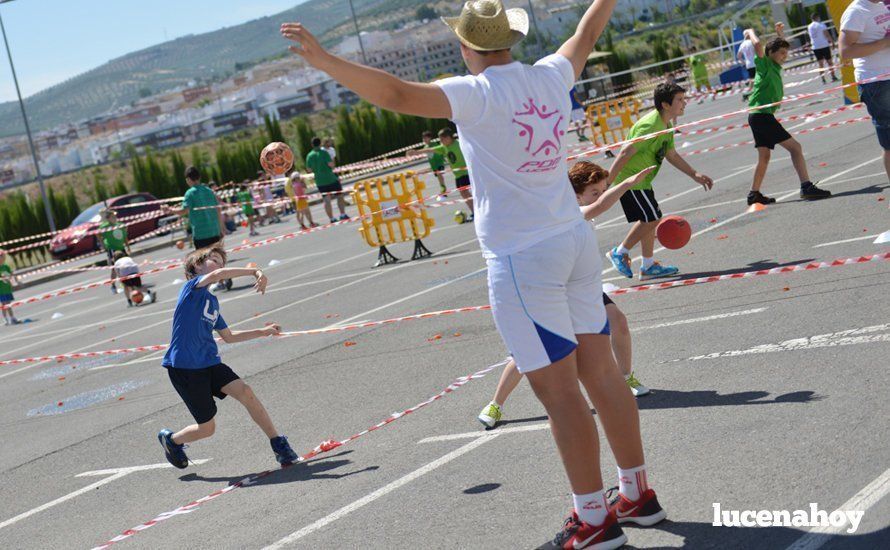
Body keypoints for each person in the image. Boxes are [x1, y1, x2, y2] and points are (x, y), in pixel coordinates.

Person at [283, 1, 666, 547]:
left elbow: (394, 94)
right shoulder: (550, 76)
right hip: (573, 239)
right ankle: (636, 494)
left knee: (560, 396)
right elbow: (588, 28)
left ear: (466, 47)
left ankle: (594, 520)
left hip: (522, 257)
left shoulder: (475, 92)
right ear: (510, 38)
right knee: (602, 375)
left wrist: (325, 61)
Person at [478, 161, 656, 429]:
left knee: (618, 322)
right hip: (551, 288)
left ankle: (625, 376)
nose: (600, 194)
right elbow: (598, 206)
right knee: (526, 354)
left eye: (602, 189)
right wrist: (628, 184)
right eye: (594, 191)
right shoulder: (569, 211)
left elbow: (598, 202)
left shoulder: (573, 206)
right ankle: (496, 404)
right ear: (576, 195)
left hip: (581, 286)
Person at [157, 245, 299, 469]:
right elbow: (217, 275)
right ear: (196, 266)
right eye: (214, 260)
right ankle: (172, 440)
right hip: (185, 368)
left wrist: (263, 331)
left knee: (246, 391)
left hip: (210, 363)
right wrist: (255, 271)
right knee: (207, 429)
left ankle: (278, 444)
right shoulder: (190, 289)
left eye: (222, 262)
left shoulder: (212, 302)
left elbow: (229, 336)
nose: (221, 266)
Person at [606, 82, 714, 281]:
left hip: (643, 180)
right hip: (631, 180)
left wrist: (694, 173)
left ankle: (647, 266)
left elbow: (671, 155)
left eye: (684, 99)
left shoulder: (666, 125)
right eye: (680, 100)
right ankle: (619, 252)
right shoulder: (650, 126)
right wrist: (608, 182)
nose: (684, 103)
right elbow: (625, 152)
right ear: (665, 104)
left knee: (649, 220)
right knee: (653, 218)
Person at [745, 26, 832, 205]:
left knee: (764, 156)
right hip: (762, 115)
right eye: (782, 53)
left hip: (759, 115)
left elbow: (776, 47)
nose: (785, 56)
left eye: (786, 53)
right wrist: (750, 32)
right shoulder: (764, 64)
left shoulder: (775, 65)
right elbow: (759, 46)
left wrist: (780, 35)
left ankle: (754, 194)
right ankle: (806, 186)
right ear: (770, 53)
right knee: (795, 148)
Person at [839, 0, 890, 183]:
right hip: (877, 82)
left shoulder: (882, 5)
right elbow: (845, 51)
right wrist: (884, 43)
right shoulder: (856, 11)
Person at [412, 129, 474, 220]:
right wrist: (416, 152)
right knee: (464, 194)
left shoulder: (459, 144)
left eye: (442, 140)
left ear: (448, 137)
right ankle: (474, 212)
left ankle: (478, 210)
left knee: (473, 193)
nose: (440, 142)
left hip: (467, 173)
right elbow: (430, 150)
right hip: (458, 175)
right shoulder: (443, 147)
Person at [306, 137, 348, 223]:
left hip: (320, 181)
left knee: (326, 200)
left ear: (312, 145)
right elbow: (331, 165)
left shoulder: (309, 156)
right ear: (320, 143)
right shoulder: (324, 153)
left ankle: (331, 218)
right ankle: (342, 214)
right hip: (331, 178)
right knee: (339, 196)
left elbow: (309, 170)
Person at [99, 208, 130, 295]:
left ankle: (126, 283)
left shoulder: (120, 225)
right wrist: (103, 244)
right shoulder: (105, 226)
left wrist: (128, 247)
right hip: (112, 249)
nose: (114, 218)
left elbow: (125, 237)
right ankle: (113, 285)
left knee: (126, 266)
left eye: (115, 216)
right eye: (112, 217)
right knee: (115, 269)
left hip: (121, 248)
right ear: (108, 218)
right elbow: (97, 233)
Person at [808, 13, 840, 83]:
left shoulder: (809, 26)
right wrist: (832, 42)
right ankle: (833, 76)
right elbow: (827, 34)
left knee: (820, 64)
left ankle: (823, 79)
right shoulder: (821, 25)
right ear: (817, 17)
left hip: (815, 47)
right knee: (829, 62)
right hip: (824, 45)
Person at [421, 130, 448, 196]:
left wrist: (444, 158)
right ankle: (443, 188)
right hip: (433, 165)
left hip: (439, 163)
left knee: (440, 175)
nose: (424, 139)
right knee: (439, 176)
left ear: (430, 138)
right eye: (423, 138)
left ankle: (443, 188)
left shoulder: (434, 144)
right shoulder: (425, 147)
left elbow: (440, 151)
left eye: (426, 138)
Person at [0, 249, 20, 326]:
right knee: (4, 304)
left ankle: (12, 318)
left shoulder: (6, 267)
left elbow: (11, 275)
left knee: (8, 304)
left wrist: (16, 281)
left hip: (7, 289)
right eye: (1, 256)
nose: (2, 258)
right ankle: (6, 318)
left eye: (2, 256)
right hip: (1, 290)